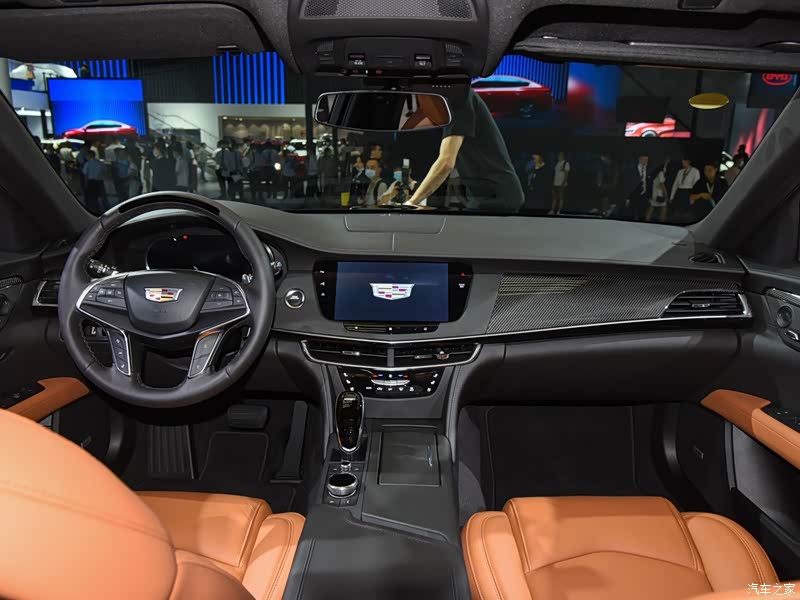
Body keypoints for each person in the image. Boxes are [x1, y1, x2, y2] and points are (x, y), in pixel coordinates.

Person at [405, 88, 524, 212]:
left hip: (497, 198)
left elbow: (446, 163)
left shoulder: (458, 98)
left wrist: (411, 203)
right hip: (482, 197)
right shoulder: (447, 104)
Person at [670, 157, 701, 221]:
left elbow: (696, 186)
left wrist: (693, 198)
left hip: (688, 192)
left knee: (687, 214)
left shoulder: (695, 171)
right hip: (679, 193)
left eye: (684, 161)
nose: (682, 163)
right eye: (682, 161)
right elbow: (675, 184)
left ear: (688, 161)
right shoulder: (680, 171)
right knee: (676, 213)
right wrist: (672, 196)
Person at [626, 155, 653, 221]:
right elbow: (628, 184)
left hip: (644, 195)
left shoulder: (649, 169)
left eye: (647, 160)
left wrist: (649, 196)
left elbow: (650, 183)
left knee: (642, 214)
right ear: (639, 159)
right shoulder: (632, 169)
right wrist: (628, 198)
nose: (646, 161)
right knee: (632, 214)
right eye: (644, 159)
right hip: (634, 195)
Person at [646, 158, 671, 223]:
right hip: (659, 193)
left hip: (654, 192)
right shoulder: (661, 172)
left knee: (651, 207)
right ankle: (662, 223)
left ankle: (646, 221)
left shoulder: (656, 171)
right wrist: (666, 194)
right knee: (663, 208)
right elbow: (661, 184)